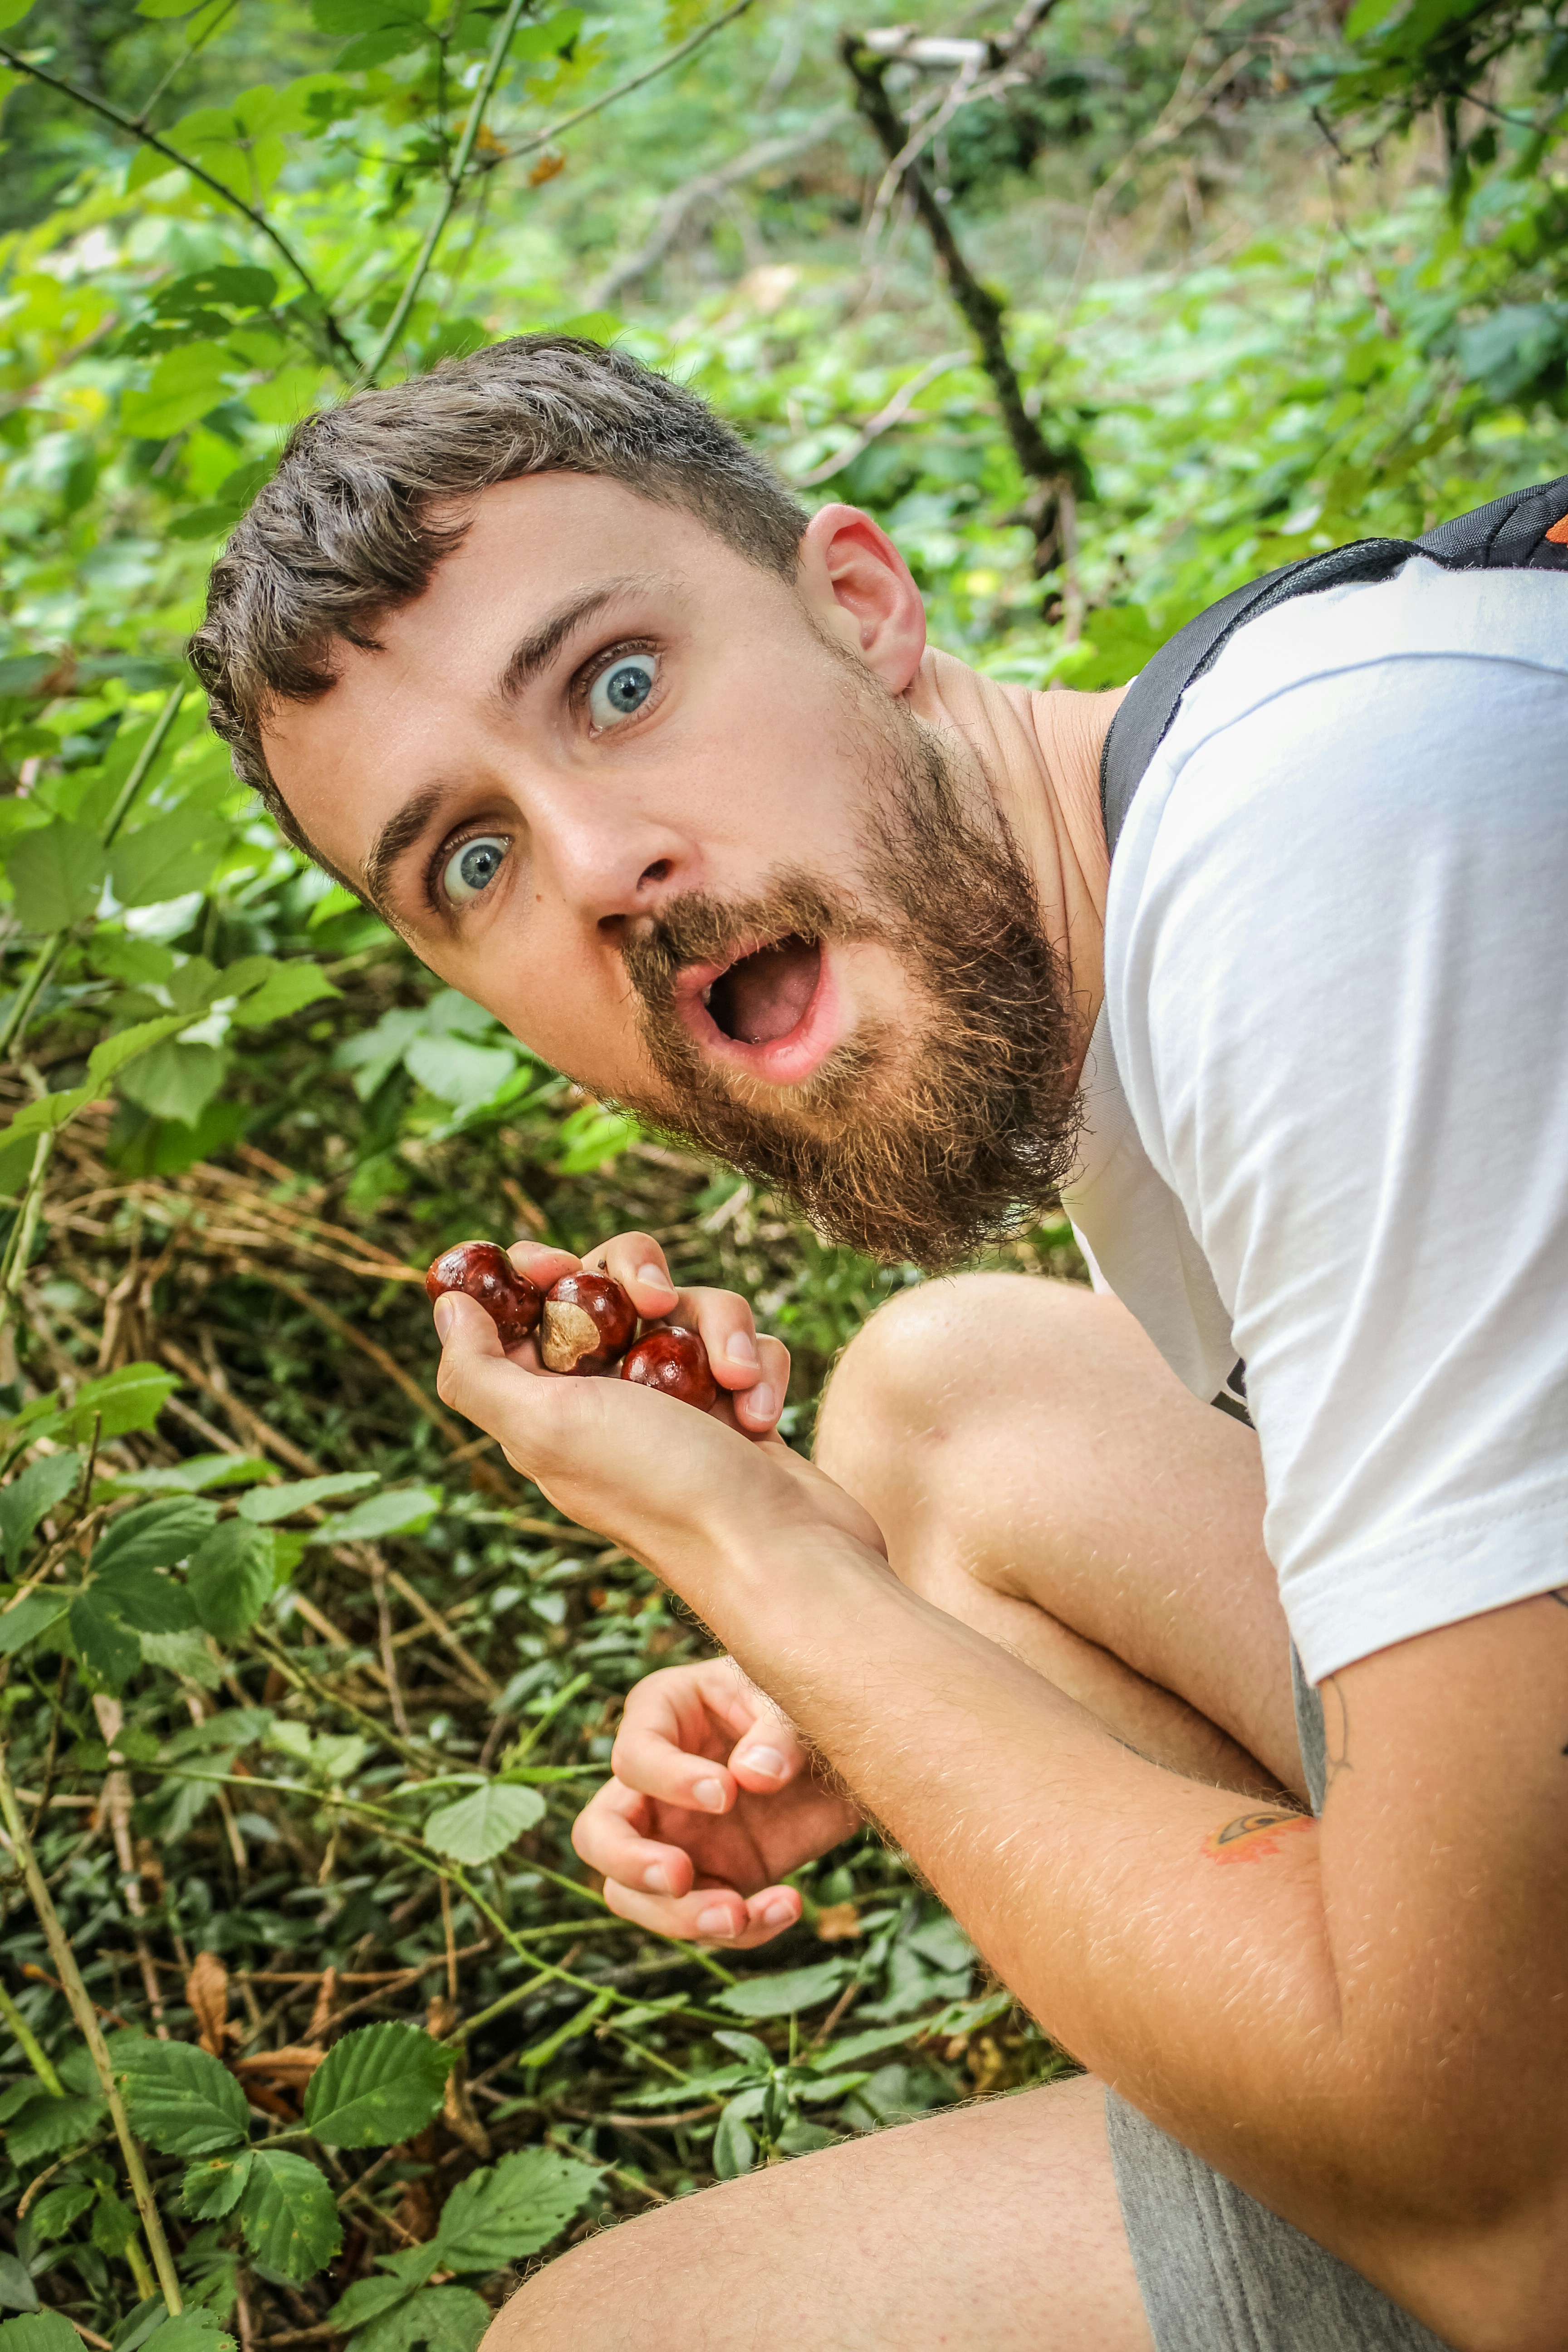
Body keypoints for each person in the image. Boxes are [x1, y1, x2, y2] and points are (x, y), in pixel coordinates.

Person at [190, 337, 1568, 2352]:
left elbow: (1512, 2206)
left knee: (593, 2340)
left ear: (862, 603)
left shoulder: (1342, 854)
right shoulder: (1222, 801)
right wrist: (875, 1642)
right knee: (945, 1402)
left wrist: (763, 1565)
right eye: (470, 862)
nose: (595, 868)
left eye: (621, 686)